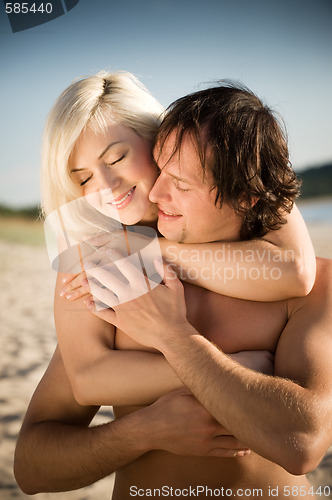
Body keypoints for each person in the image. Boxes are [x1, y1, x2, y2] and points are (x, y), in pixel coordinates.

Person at [14, 78, 321, 498]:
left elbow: (294, 267)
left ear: (159, 140)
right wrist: (144, 432)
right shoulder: (99, 271)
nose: (105, 187)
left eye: (117, 157)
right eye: (82, 179)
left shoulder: (297, 268)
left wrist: (151, 252)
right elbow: (35, 463)